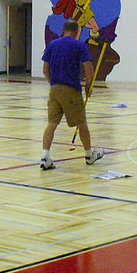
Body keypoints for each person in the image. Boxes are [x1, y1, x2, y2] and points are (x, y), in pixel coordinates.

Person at [40, 19, 103, 169]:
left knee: (51, 123)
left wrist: (53, 83)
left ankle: (45, 156)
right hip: (71, 89)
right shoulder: (79, 45)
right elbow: (88, 69)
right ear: (76, 32)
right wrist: (88, 86)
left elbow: (45, 70)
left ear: (64, 30)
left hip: (54, 89)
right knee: (81, 123)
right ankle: (89, 155)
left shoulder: (52, 45)